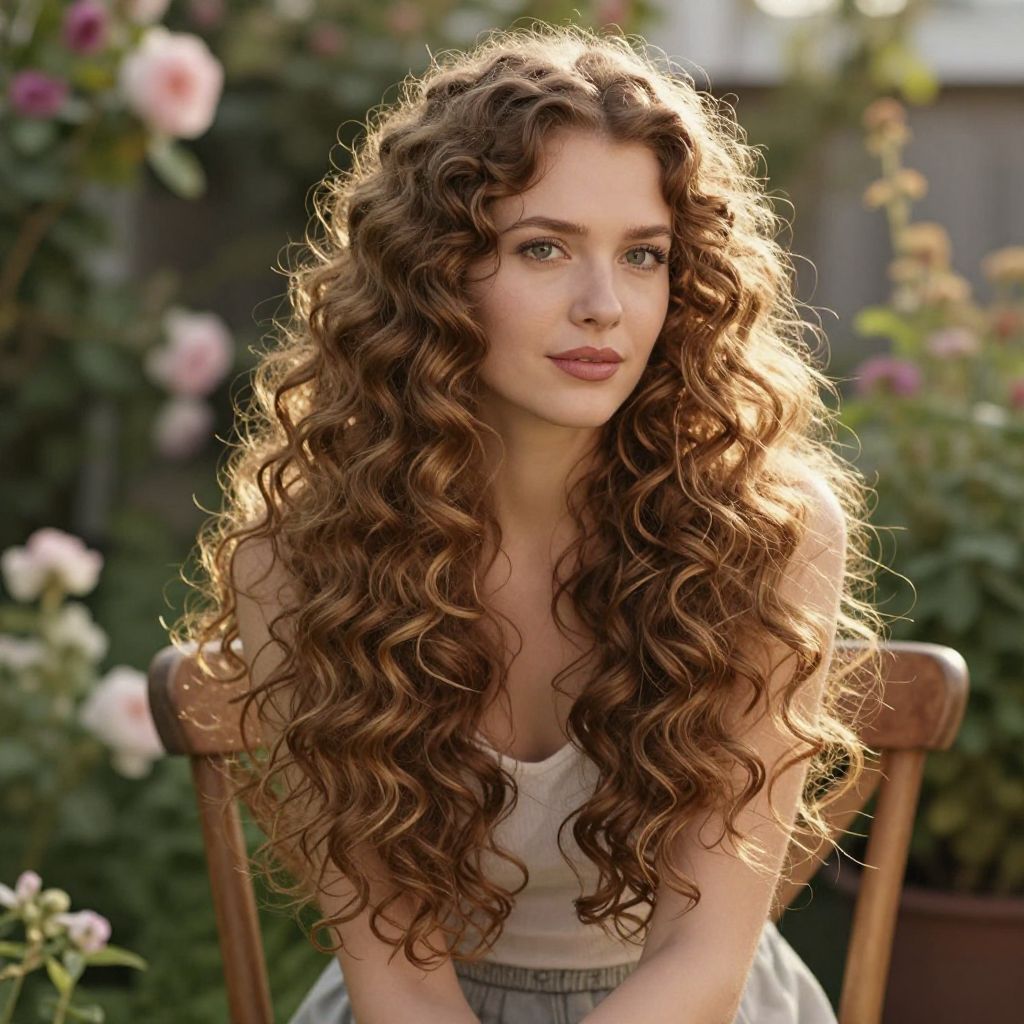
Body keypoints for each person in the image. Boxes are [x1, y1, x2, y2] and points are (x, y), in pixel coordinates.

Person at [175, 21, 885, 1024]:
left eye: (642, 255)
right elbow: (399, 973)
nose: (603, 305)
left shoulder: (767, 532)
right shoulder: (297, 558)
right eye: (542, 248)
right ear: (433, 274)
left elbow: (703, 952)